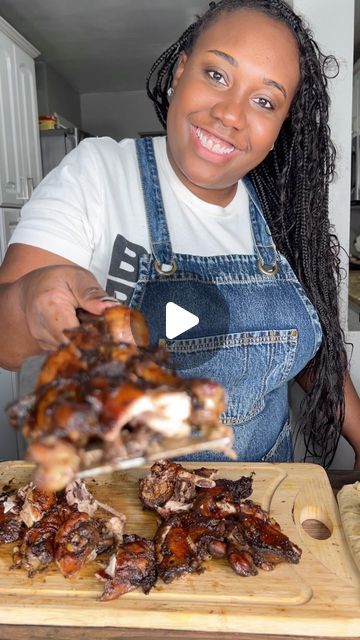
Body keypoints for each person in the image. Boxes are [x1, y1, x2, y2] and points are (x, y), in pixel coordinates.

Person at [0, 0, 359, 468]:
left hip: (264, 506)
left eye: (264, 100)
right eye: (217, 75)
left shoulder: (283, 211)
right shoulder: (99, 173)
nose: (231, 113)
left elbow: (309, 347)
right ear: (181, 71)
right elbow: (7, 344)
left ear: (280, 127)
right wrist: (31, 301)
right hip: (118, 517)